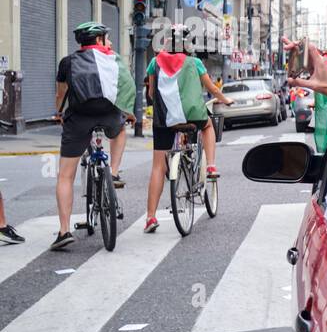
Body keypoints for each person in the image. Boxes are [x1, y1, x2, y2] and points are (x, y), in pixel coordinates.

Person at [51, 22, 137, 251]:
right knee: (120, 131)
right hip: (109, 115)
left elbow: (61, 94)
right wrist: (128, 112)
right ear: (98, 40)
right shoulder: (115, 59)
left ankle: (64, 231)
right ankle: (115, 171)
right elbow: (127, 86)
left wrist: (59, 113)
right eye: (106, 38)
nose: (109, 42)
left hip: (79, 119)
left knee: (65, 176)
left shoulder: (68, 62)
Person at [142, 29, 233, 234]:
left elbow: (150, 93)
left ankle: (150, 217)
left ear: (166, 43)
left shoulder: (154, 63)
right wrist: (225, 100)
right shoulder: (195, 63)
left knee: (158, 167)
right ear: (186, 45)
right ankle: (210, 166)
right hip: (192, 116)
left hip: (164, 120)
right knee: (208, 125)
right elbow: (213, 89)